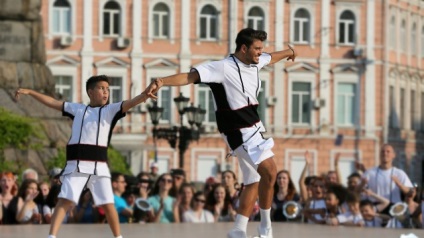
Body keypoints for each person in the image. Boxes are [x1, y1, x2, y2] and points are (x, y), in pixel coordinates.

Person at [141, 27, 296, 238]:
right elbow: (189, 77)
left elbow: (271, 57)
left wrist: (289, 52)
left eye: (262, 48)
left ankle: (238, 229)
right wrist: (161, 82)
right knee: (270, 172)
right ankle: (266, 229)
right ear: (243, 48)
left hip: (254, 128)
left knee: (253, 180)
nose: (261, 52)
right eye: (257, 48)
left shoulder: (256, 60)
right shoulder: (222, 67)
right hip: (238, 130)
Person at [15, 74, 148, 238]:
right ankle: (51, 236)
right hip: (77, 165)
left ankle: (118, 237)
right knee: (65, 200)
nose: (106, 92)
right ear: (90, 92)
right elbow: (52, 102)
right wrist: (30, 92)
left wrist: (146, 94)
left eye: (107, 89)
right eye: (101, 88)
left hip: (99, 167)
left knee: (108, 204)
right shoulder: (77, 109)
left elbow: (132, 102)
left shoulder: (111, 110)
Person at [363, 144, 414, 213]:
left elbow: (411, 192)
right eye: (382, 151)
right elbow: (359, 191)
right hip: (376, 208)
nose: (385, 153)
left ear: (393, 155)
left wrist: (400, 185)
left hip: (394, 208)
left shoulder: (399, 173)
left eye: (388, 151)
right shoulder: (370, 172)